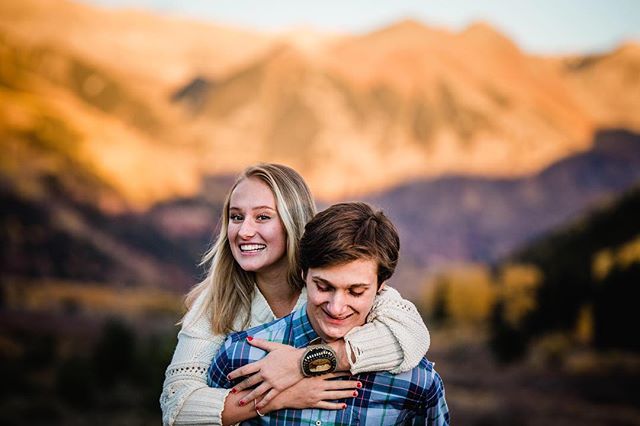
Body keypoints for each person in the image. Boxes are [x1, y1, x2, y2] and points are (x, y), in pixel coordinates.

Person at [161, 164, 431, 425]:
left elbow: (412, 336)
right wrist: (280, 397)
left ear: (293, 221)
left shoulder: (332, 283)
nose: (244, 231)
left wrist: (303, 363)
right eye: (236, 217)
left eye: (263, 216)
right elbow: (178, 407)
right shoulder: (215, 303)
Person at [208, 202, 449, 425]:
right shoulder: (239, 356)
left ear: (381, 285)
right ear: (304, 274)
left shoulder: (416, 383)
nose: (336, 307)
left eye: (355, 292)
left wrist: (305, 362)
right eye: (323, 287)